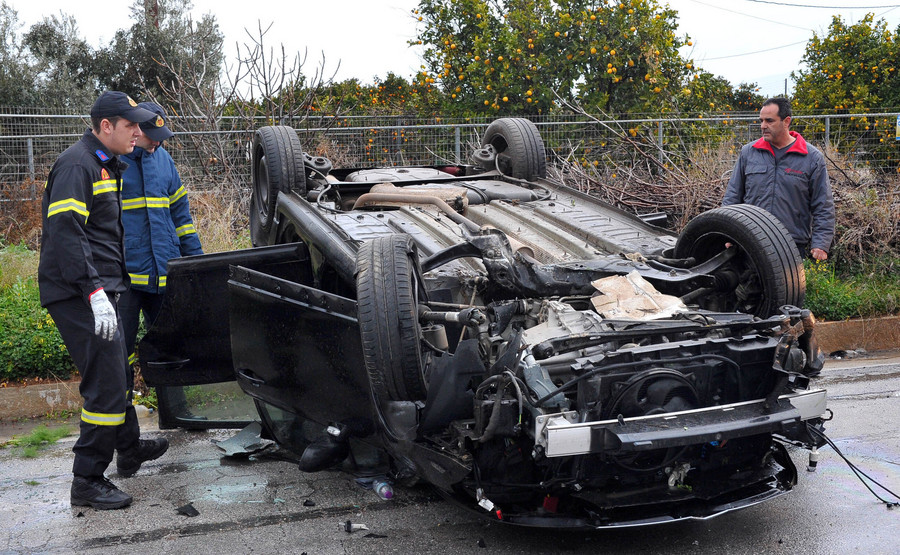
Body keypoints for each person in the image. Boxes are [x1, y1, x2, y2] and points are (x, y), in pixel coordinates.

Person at [38, 91, 169, 510]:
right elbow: (66, 235)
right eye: (130, 125)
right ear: (106, 126)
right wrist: (94, 292)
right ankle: (87, 478)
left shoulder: (104, 164)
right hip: (79, 293)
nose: (138, 132)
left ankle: (128, 449)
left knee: (117, 373)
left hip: (101, 287)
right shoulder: (79, 165)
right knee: (106, 383)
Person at [119, 102, 203, 421]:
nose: (157, 141)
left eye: (160, 135)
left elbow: (182, 216)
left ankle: (177, 414)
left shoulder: (164, 160)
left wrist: (195, 263)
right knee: (121, 353)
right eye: (152, 135)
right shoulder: (111, 163)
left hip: (163, 274)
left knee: (168, 344)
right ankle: (123, 422)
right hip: (125, 279)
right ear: (135, 130)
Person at [723, 97, 835, 260]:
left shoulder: (811, 158)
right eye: (761, 120)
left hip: (791, 245)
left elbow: (823, 204)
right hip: (749, 239)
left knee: (789, 287)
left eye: (769, 121)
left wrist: (821, 244)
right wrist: (728, 233)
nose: (763, 126)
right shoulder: (749, 153)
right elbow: (733, 196)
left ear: (786, 121)